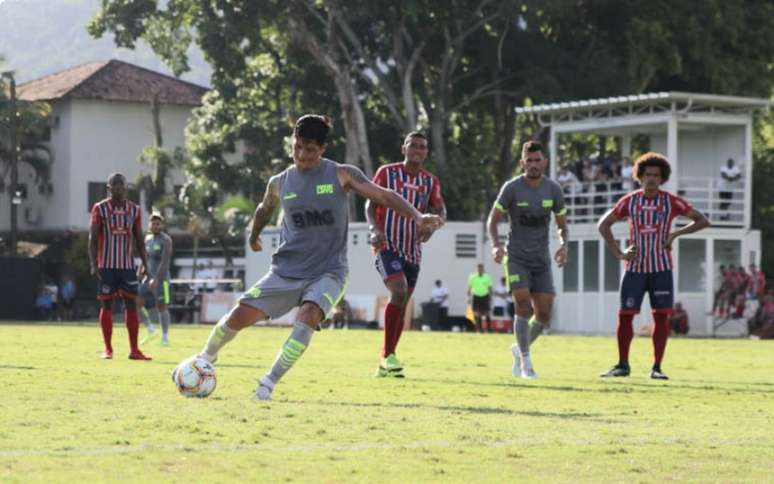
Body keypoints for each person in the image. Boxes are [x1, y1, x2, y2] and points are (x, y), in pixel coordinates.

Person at [180, 115, 443, 400]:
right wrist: (254, 235)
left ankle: (267, 383)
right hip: (285, 271)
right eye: (297, 147)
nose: (302, 155)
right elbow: (263, 209)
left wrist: (417, 216)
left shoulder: (342, 174)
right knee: (237, 317)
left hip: (329, 272)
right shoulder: (279, 182)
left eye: (310, 149)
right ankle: (206, 356)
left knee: (307, 317)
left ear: (323, 149)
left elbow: (384, 195)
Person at [598, 152, 710, 380]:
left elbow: (702, 220)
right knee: (626, 315)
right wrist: (619, 253)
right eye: (647, 174)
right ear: (639, 176)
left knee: (661, 317)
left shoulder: (671, 202)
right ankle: (622, 365)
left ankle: (657, 368)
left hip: (661, 269)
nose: (651, 179)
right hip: (635, 269)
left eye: (656, 175)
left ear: (662, 178)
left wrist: (676, 233)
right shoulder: (629, 201)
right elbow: (603, 225)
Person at [365, 131, 446, 378]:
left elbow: (441, 210)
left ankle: (386, 359)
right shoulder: (387, 173)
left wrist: (433, 227)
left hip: (413, 249)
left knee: (401, 305)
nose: (417, 150)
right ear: (404, 148)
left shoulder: (430, 181)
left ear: (426, 152)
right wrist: (374, 228)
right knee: (398, 291)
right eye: (413, 145)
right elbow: (370, 203)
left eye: (422, 147)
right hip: (386, 244)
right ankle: (387, 357)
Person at [487, 140, 569, 379]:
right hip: (516, 258)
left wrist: (564, 245)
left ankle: (519, 348)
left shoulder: (553, 190)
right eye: (529, 161)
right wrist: (495, 245)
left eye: (537, 160)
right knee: (523, 305)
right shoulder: (512, 188)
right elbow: (493, 220)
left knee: (544, 313)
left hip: (542, 261)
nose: (533, 165)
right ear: (522, 163)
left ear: (544, 162)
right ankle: (526, 362)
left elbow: (562, 225)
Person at [88, 172, 152, 360]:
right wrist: (93, 263)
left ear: (126, 187)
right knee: (106, 303)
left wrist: (145, 264)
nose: (117, 188)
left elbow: (139, 238)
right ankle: (108, 349)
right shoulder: (100, 208)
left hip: (127, 266)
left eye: (121, 185)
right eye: (114, 186)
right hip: (106, 265)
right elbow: (92, 237)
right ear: (108, 188)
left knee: (131, 304)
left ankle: (134, 350)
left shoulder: (134, 210)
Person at [139, 213, 174, 346]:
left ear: (162, 225)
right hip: (147, 278)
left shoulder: (166, 240)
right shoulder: (147, 239)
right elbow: (145, 257)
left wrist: (157, 279)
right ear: (149, 224)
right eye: (153, 223)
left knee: (162, 307)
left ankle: (165, 337)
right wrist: (140, 271)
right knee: (136, 301)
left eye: (158, 223)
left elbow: (165, 262)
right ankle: (150, 330)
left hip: (162, 279)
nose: (155, 225)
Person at [467, 264, 493, 333]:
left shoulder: (487, 277)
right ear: (476, 269)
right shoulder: (472, 277)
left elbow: (490, 288)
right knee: (476, 313)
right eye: (478, 269)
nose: (480, 270)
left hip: (485, 296)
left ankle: (488, 329)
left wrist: (490, 297)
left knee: (486, 313)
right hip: (476, 296)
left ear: (483, 269)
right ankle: (478, 330)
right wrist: (468, 296)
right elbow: (470, 287)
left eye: (481, 269)